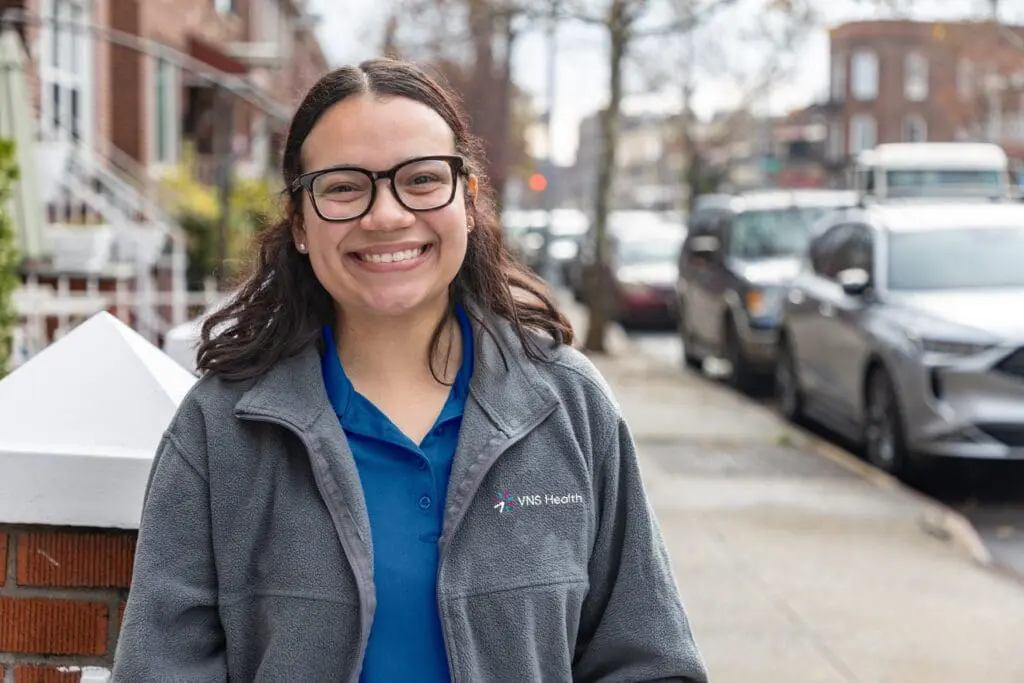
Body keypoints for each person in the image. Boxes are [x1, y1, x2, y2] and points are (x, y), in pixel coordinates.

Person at [113, 58, 707, 682]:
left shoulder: (568, 404)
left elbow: (649, 660)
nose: (387, 215)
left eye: (422, 179)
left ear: (469, 200)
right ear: (299, 224)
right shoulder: (221, 429)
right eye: (343, 186)